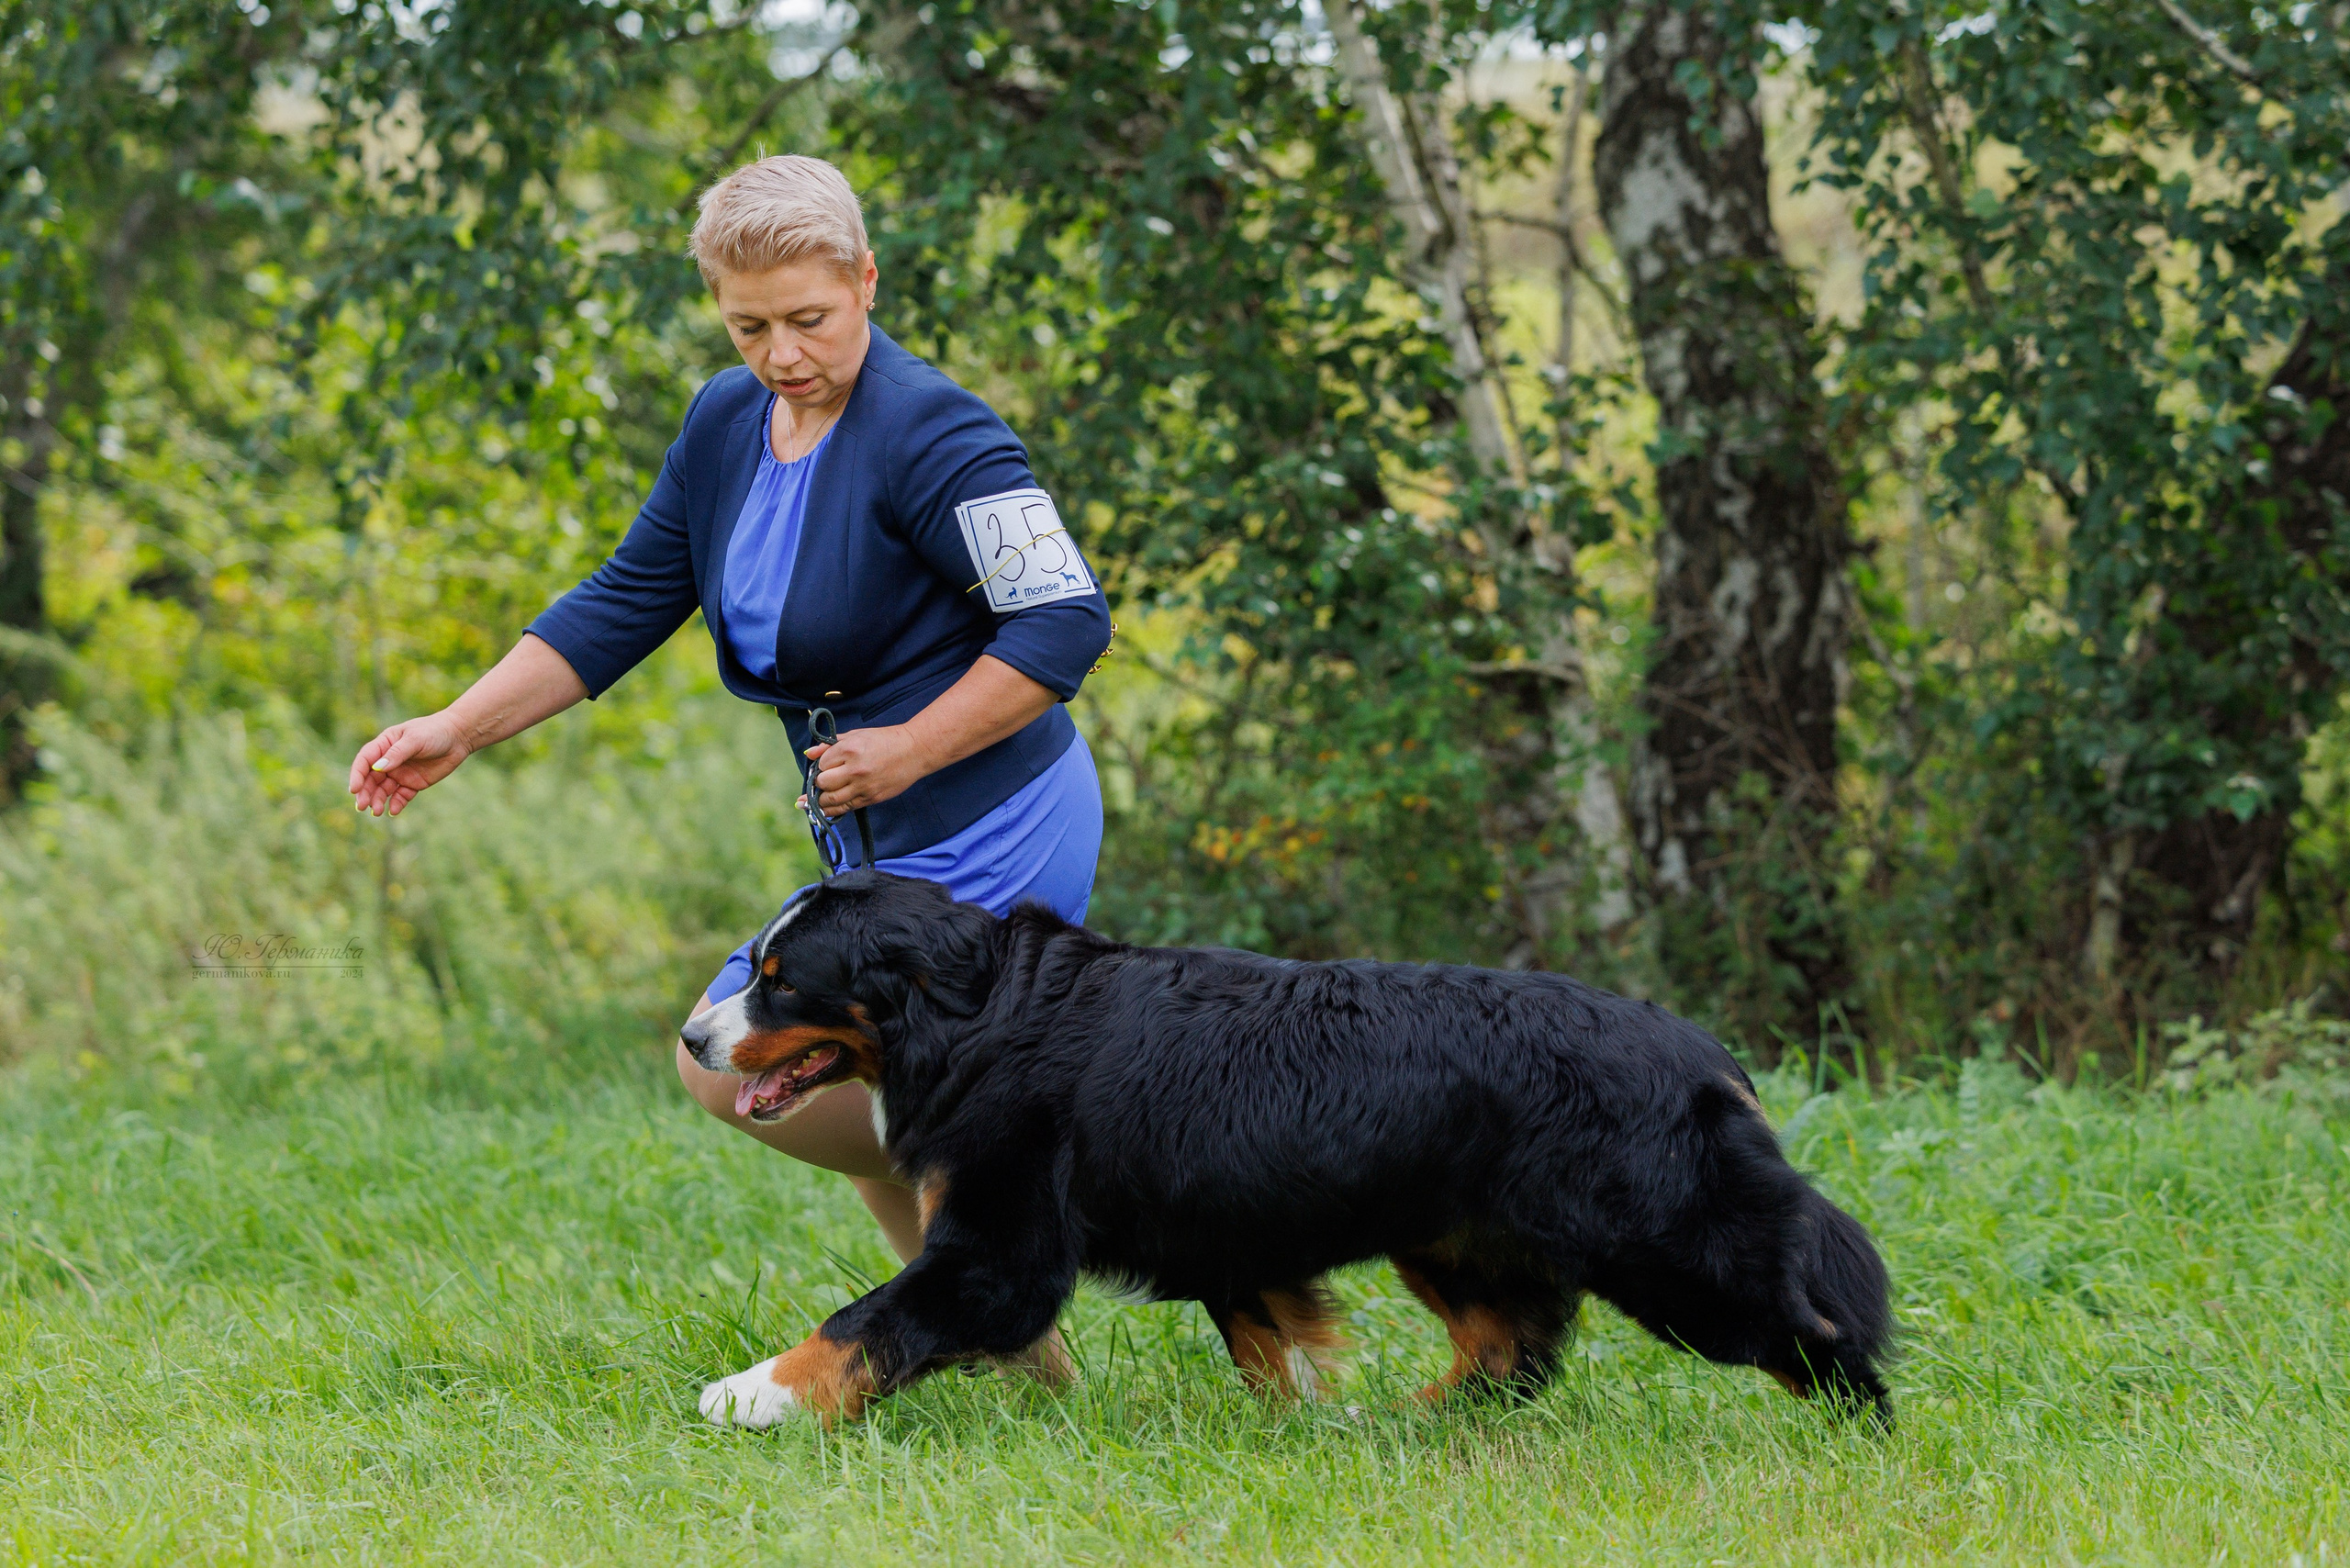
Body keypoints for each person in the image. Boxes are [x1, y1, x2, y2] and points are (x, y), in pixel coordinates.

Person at [346, 154, 1112, 1379]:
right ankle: (1005, 1327)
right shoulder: (723, 423)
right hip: (864, 838)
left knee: (784, 1063)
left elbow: (1065, 623)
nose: (782, 354)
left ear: (866, 278)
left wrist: (910, 747)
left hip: (993, 813)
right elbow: (627, 598)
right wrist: (460, 725)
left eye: (810, 319)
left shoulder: (943, 434)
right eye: (749, 325)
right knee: (811, 1067)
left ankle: (1004, 1283)